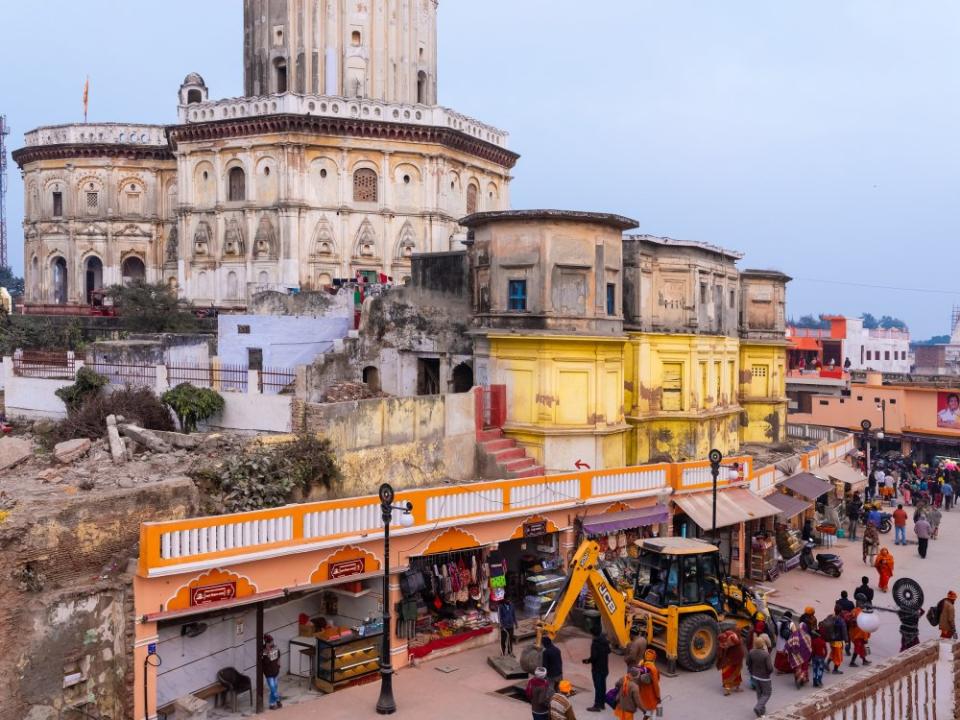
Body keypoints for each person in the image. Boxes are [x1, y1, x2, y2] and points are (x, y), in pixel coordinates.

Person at [582, 625, 610, 712]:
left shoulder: (595, 643)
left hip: (597, 669)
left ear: (593, 634)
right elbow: (609, 651)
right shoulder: (605, 641)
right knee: (603, 686)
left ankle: (597, 705)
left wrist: (587, 661)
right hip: (605, 668)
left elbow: (594, 657)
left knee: (598, 687)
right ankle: (602, 704)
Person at [747, 634, 774, 717]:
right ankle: (759, 707)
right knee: (767, 693)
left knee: (759, 692)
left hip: (755, 676)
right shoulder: (765, 654)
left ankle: (761, 710)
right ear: (762, 644)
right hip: (764, 677)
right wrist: (768, 673)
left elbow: (748, 663)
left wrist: (752, 672)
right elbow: (770, 668)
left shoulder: (751, 652)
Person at [716, 629, 745, 695]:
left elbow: (735, 643)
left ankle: (736, 687)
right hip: (728, 658)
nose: (723, 644)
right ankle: (727, 688)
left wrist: (726, 645)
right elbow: (721, 647)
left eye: (724, 642)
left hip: (737, 658)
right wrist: (722, 647)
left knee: (736, 672)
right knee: (726, 673)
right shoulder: (724, 638)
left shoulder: (733, 638)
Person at [785, 623, 813, 688]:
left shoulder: (794, 635)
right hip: (805, 655)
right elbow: (809, 646)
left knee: (798, 668)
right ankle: (801, 678)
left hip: (796, 656)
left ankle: (797, 678)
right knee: (804, 668)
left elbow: (788, 644)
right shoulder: (807, 636)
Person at [637, 650, 661, 720]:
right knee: (651, 710)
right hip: (650, 693)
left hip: (642, 691)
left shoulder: (641, 663)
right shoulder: (653, 668)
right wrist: (658, 696)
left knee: (648, 709)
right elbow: (656, 685)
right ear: (654, 658)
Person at [260, 634, 282, 710]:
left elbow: (279, 654)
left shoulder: (275, 647)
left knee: (275, 687)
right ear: (267, 643)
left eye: (272, 641)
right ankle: (278, 699)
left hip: (275, 671)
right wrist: (268, 653)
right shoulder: (263, 651)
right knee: (272, 688)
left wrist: (279, 663)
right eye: (271, 642)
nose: (272, 643)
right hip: (269, 673)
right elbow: (265, 662)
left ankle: (271, 704)